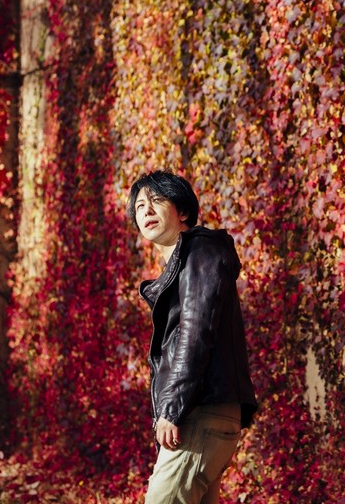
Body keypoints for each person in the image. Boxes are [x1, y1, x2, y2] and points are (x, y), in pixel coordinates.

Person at [127, 170, 258, 504]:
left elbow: (195, 331)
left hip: (201, 414)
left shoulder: (199, 251)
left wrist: (172, 408)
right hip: (207, 415)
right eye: (140, 206)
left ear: (182, 211)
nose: (147, 211)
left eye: (157, 201)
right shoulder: (188, 260)